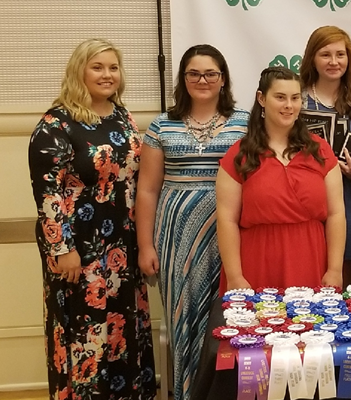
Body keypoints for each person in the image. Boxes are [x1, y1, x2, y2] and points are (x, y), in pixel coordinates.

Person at [28, 38, 156, 399]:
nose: (107, 74)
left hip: (122, 246)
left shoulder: (121, 116)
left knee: (124, 330)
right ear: (79, 71)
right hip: (78, 250)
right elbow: (48, 194)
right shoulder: (55, 125)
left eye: (113, 67)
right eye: (97, 67)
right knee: (86, 335)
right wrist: (62, 248)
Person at [135, 44, 247, 400]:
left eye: (210, 73)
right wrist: (145, 245)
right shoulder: (161, 125)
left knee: (229, 315)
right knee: (183, 320)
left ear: (223, 79)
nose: (202, 80)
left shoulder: (245, 123)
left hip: (231, 233)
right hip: (175, 237)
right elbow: (147, 190)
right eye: (194, 74)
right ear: (183, 79)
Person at [216, 67, 344, 292]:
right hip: (257, 264)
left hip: (310, 260)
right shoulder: (239, 155)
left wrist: (334, 269)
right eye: (280, 97)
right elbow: (226, 220)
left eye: (295, 98)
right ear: (261, 99)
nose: (289, 105)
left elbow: (336, 214)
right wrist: (235, 276)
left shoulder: (320, 150)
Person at [300, 26, 351, 286]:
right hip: (306, 205)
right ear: (312, 58)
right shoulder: (296, 102)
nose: (334, 62)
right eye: (325, 54)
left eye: (340, 54)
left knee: (347, 287)